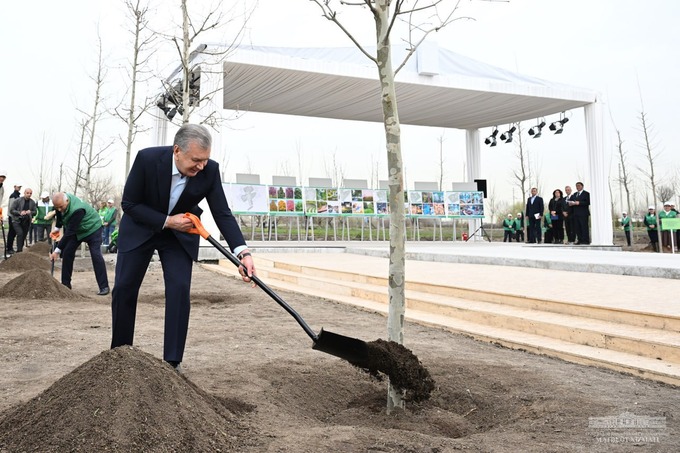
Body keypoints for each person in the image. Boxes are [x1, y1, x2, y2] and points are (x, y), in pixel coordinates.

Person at [110, 124, 256, 372]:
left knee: (179, 289)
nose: (201, 167)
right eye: (196, 160)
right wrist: (167, 221)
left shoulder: (209, 171)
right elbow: (129, 203)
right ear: (177, 151)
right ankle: (120, 355)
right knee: (124, 288)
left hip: (178, 236)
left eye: (205, 160)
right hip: (141, 227)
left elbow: (222, 212)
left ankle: (173, 362)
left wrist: (243, 252)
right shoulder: (147, 158)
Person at [49, 192, 110, 295]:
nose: (59, 209)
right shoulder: (60, 204)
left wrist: (57, 251)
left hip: (92, 229)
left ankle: (104, 287)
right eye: (57, 207)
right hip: (78, 230)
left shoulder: (78, 210)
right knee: (68, 252)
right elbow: (59, 216)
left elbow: (69, 232)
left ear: (67, 201)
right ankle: (65, 285)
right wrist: (57, 229)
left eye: (61, 207)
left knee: (95, 254)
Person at [10, 188, 36, 253]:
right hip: (16, 220)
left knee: (24, 236)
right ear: (24, 193)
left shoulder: (32, 202)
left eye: (30, 193)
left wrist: (30, 212)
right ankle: (19, 250)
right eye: (27, 193)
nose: (29, 195)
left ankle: (20, 250)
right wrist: (20, 212)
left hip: (26, 221)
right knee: (20, 233)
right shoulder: (17, 200)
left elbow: (35, 212)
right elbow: (12, 210)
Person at [5, 184, 22, 254]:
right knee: (11, 233)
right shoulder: (13, 196)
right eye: (18, 187)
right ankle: (9, 248)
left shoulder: (18, 196)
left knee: (13, 233)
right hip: (12, 217)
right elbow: (12, 208)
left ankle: (10, 247)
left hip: (16, 217)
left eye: (20, 187)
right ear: (14, 187)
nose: (19, 188)